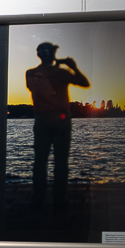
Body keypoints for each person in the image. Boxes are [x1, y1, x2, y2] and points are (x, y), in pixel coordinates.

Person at [26, 41, 90, 209]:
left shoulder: (30, 73)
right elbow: (85, 83)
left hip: (41, 119)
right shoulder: (61, 73)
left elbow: (38, 91)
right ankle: (59, 200)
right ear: (53, 54)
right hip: (61, 120)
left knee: (40, 162)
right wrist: (73, 67)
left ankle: (38, 199)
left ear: (39, 55)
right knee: (61, 162)